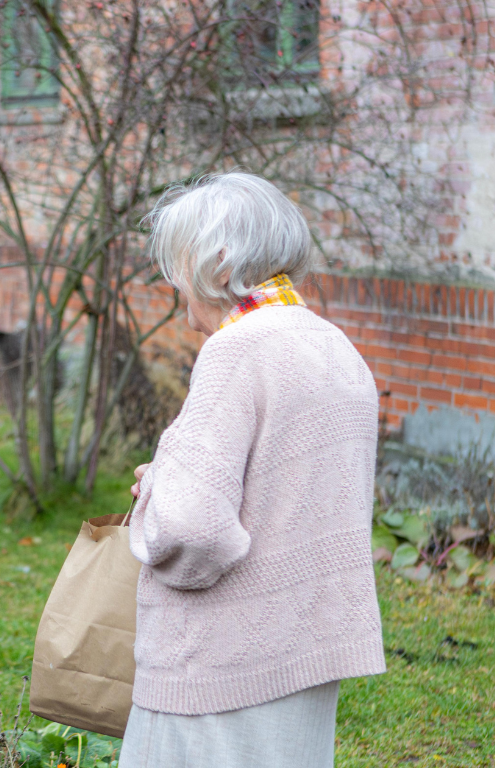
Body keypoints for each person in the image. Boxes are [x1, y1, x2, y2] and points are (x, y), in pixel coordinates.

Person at [123, 173, 386, 767]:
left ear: (217, 266)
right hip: (308, 653)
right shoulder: (333, 345)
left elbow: (191, 529)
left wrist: (155, 498)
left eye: (179, 271)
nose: (180, 299)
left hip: (220, 666)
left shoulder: (236, 350)